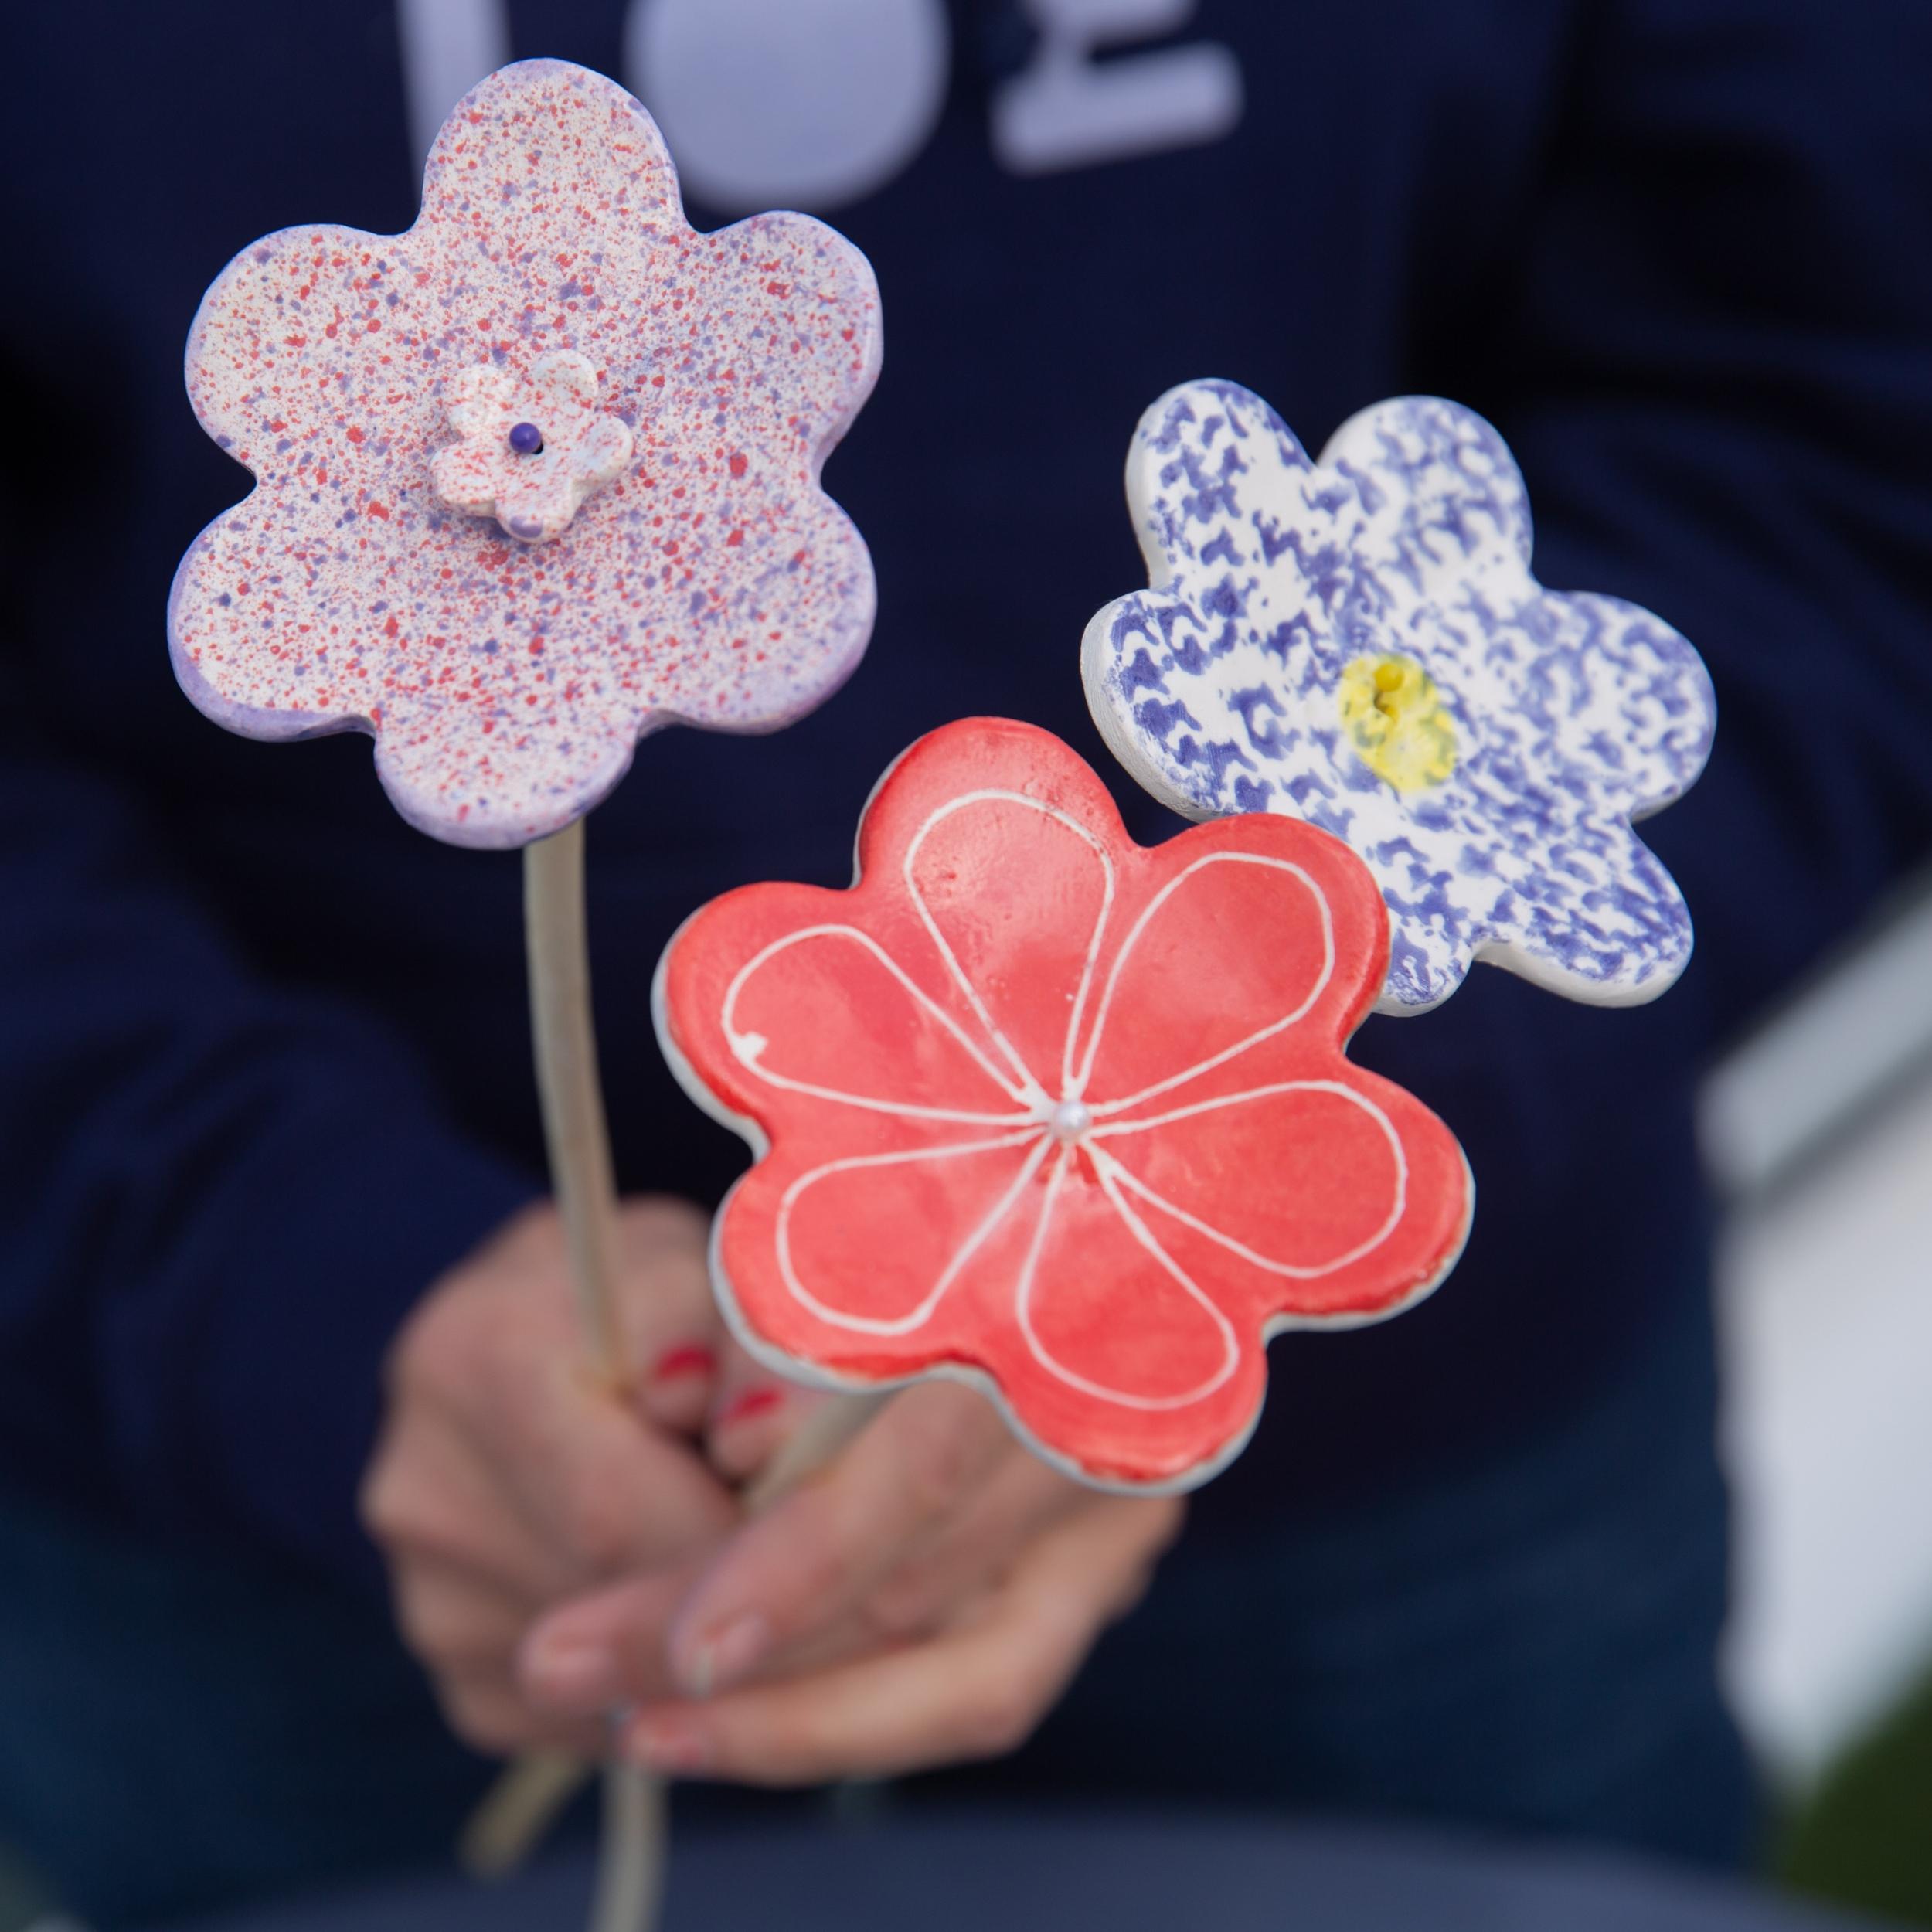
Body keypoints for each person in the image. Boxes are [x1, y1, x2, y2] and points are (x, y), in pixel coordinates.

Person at [4, 2, 1930, 1924]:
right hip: (240, 1475)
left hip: (1406, 1470)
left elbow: (1830, 420)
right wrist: (277, 1270)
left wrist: (1237, 1167)